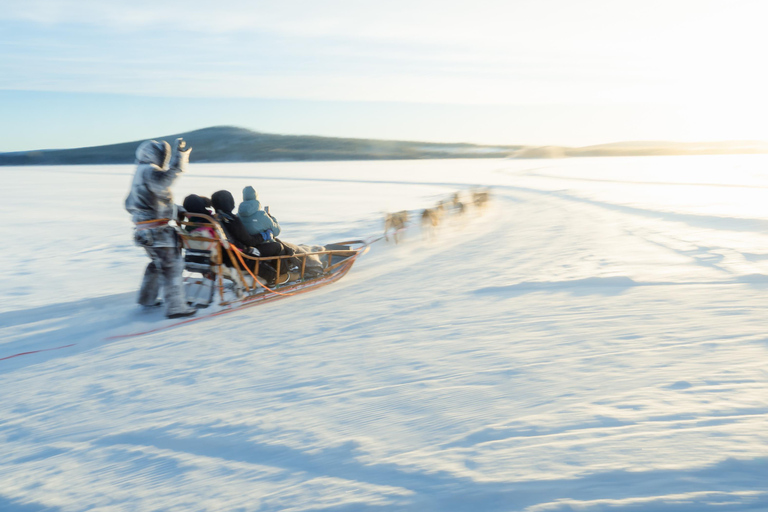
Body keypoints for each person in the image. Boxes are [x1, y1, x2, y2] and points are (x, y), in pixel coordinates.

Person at [125, 138, 196, 318]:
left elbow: (135, 202)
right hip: (157, 231)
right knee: (172, 266)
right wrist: (180, 160)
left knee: (157, 265)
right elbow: (164, 182)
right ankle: (176, 307)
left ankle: (146, 298)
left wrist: (175, 210)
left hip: (143, 230)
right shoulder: (150, 170)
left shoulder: (139, 171)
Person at [210, 190, 299, 284]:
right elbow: (249, 241)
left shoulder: (214, 220)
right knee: (277, 246)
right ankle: (279, 276)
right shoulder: (230, 220)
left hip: (225, 257)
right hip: (242, 256)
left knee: (273, 244)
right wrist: (264, 236)